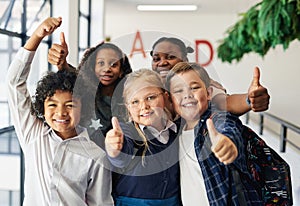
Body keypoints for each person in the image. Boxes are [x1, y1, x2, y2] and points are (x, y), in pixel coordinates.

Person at [6, 17, 113, 205]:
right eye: (52, 105)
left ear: (83, 108)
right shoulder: (34, 135)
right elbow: (15, 82)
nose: (61, 113)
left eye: (70, 105)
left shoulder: (96, 153)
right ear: (42, 107)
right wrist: (38, 36)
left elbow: (101, 202)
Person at [165, 62, 263, 205]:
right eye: (178, 90)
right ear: (170, 99)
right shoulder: (173, 131)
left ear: (209, 93)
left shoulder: (216, 119)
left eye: (194, 87)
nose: (187, 95)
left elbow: (227, 128)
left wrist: (227, 144)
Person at [105, 69, 181, 206]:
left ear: (165, 97)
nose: (144, 107)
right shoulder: (127, 131)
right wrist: (114, 149)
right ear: (128, 107)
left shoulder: (176, 130)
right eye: (135, 102)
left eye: (151, 97)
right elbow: (121, 157)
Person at [150, 36, 270, 116]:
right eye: (156, 59)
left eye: (170, 57)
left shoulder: (200, 83)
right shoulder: (147, 86)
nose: (162, 63)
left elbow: (225, 102)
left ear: (185, 60)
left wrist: (249, 100)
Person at [49, 37, 132, 147]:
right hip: (87, 155)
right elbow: (75, 78)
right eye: (101, 63)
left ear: (121, 71)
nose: (107, 69)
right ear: (92, 67)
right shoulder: (86, 92)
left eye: (114, 64)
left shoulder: (128, 97)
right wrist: (62, 63)